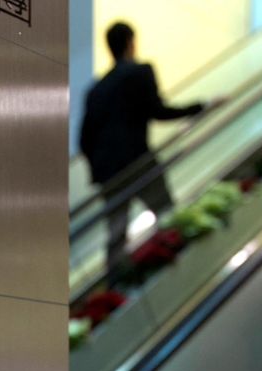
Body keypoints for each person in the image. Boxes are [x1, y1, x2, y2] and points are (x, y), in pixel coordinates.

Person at [80, 22, 213, 276]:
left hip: (108, 173)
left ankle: (115, 287)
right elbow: (159, 112)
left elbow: (84, 141)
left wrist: (101, 166)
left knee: (116, 231)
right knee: (165, 213)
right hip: (137, 161)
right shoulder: (140, 71)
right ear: (131, 42)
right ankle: (179, 269)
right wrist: (202, 106)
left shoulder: (95, 90)